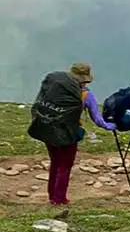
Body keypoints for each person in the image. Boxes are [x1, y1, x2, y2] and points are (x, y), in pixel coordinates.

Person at [27, 63, 116, 217]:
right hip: (68, 134)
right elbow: (97, 119)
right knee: (65, 166)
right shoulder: (86, 95)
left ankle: (52, 196)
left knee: (55, 163)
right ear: (84, 80)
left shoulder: (55, 89)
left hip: (49, 129)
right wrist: (111, 126)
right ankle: (59, 199)